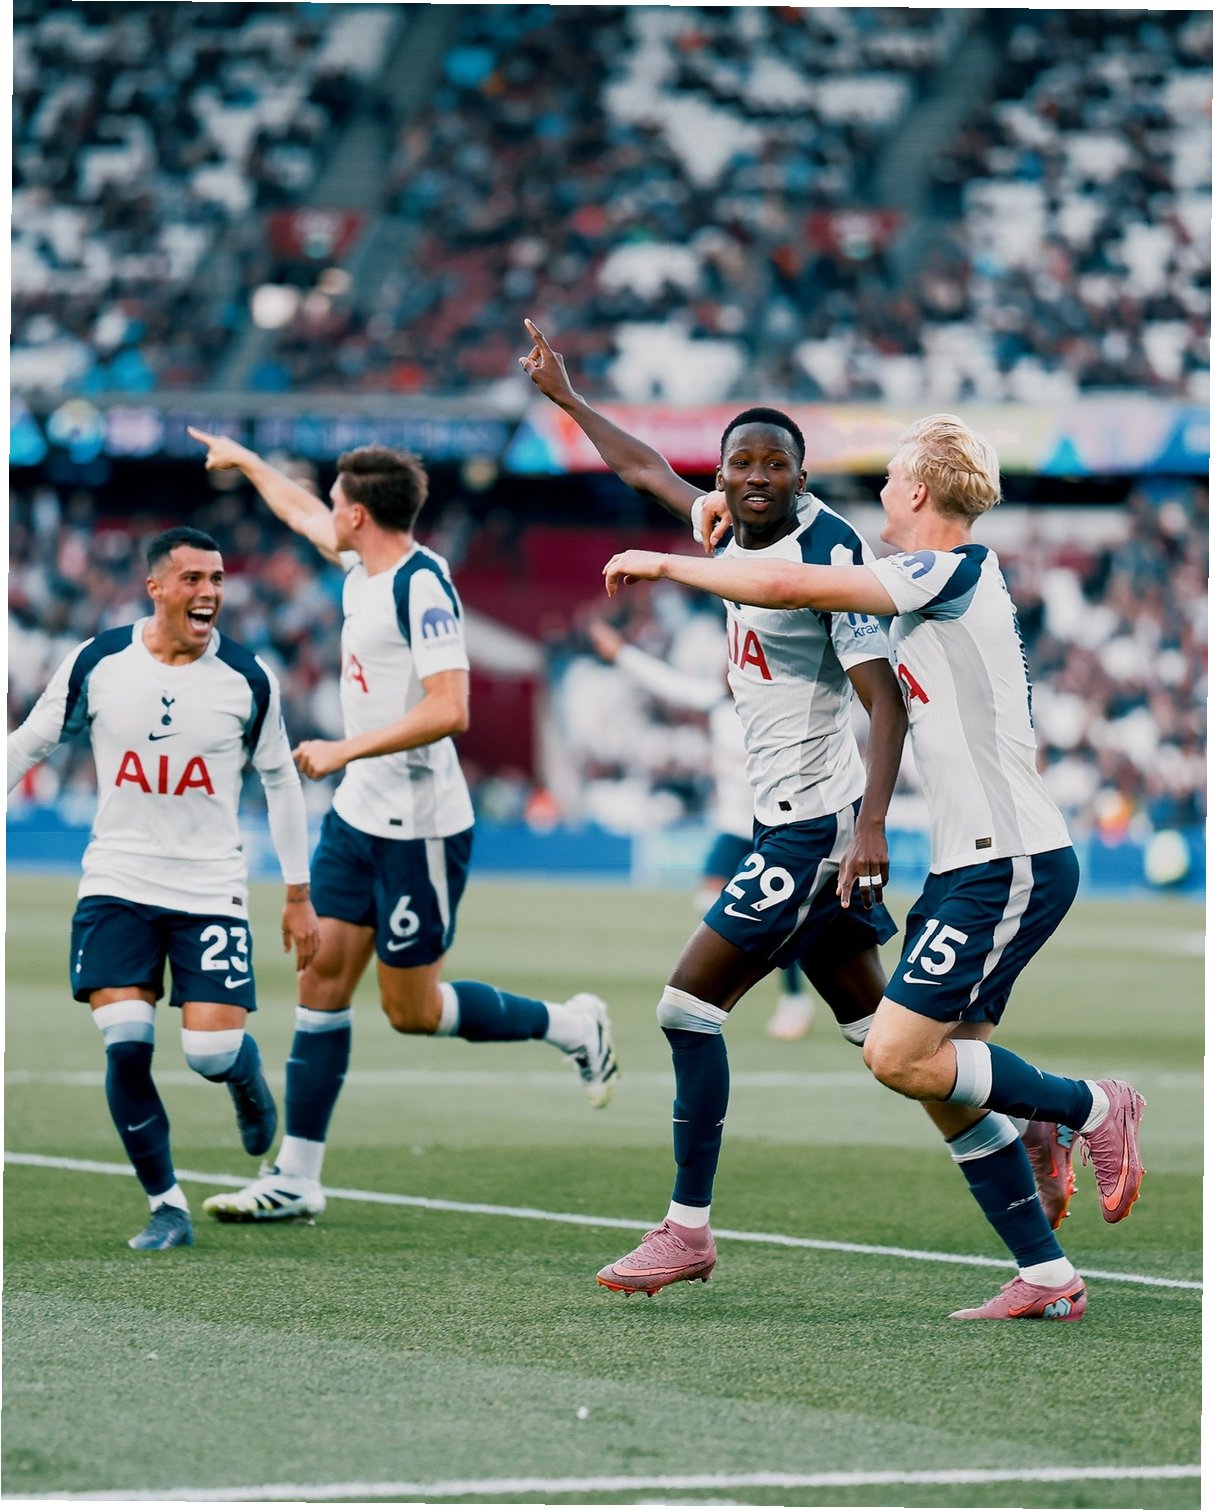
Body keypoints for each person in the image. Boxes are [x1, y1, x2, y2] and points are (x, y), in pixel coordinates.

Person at [603, 412, 1146, 1320]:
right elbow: (682, 492)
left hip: (1001, 856)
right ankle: (1048, 1270)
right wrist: (576, 404)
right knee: (938, 1067)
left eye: (892, 476)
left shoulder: (946, 569)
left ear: (920, 491)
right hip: (965, 862)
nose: (881, 489)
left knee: (846, 1043)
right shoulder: (903, 568)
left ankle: (1091, 1106)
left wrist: (662, 564)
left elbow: (789, 585)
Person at [520, 319, 911, 1296]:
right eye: (740, 464)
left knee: (686, 1008)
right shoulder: (729, 524)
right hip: (782, 818)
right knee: (887, 1044)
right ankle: (1045, 1117)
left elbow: (885, 699)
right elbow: (646, 470)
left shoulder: (829, 554)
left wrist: (870, 825)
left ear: (801, 475)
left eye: (773, 464)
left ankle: (685, 1230)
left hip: (814, 826)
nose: (754, 478)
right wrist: (567, 399)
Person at [185, 430, 618, 1224]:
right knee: (320, 983)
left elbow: (451, 709)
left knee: (411, 1011)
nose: (326, 513)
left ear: (358, 514)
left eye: (336, 502)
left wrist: (343, 748)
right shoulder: (361, 565)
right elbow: (299, 513)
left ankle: (571, 1023)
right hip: (357, 816)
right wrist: (247, 463)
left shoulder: (423, 586)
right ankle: (297, 1178)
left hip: (419, 828)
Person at [6, 527, 321, 1251]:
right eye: (193, 579)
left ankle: (242, 1073)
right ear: (155, 588)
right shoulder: (99, 662)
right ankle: (166, 1206)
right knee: (126, 1045)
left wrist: (297, 894)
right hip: (116, 880)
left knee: (210, 1052)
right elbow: (26, 743)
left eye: (217, 578)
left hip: (209, 886)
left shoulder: (248, 678)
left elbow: (280, 782)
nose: (210, 592)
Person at [587, 617, 818, 1040]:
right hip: (734, 827)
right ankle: (763, 973)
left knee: (775, 918)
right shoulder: (714, 704)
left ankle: (794, 999)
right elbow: (666, 682)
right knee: (710, 900)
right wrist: (620, 653)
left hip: (774, 827)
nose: (727, 670)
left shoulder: (771, 708)